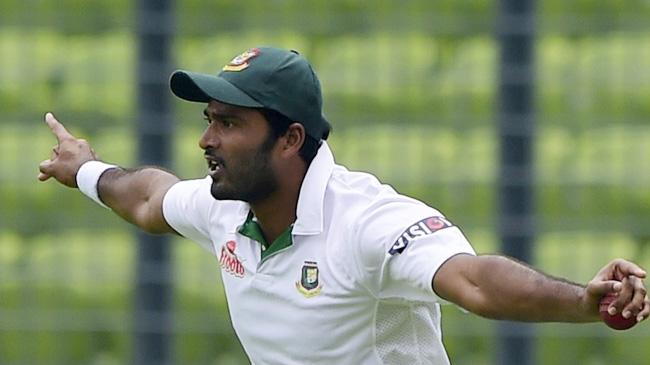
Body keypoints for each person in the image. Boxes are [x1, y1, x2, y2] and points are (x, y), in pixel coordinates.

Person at [38, 46, 649, 365]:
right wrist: (85, 170)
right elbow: (149, 198)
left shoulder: (367, 221)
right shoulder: (227, 205)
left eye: (228, 123)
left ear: (291, 139)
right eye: (208, 120)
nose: (206, 140)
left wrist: (581, 302)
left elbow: (476, 281)